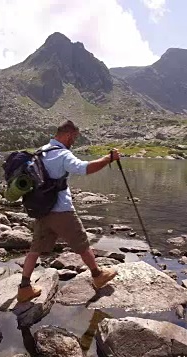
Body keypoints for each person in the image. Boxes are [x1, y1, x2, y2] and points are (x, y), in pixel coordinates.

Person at [18, 120, 119, 303]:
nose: (74, 141)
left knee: (35, 249)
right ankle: (98, 275)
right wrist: (108, 158)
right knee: (82, 243)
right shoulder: (63, 154)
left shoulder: (41, 151)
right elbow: (83, 168)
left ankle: (24, 288)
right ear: (67, 134)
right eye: (73, 137)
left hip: (41, 209)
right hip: (61, 210)